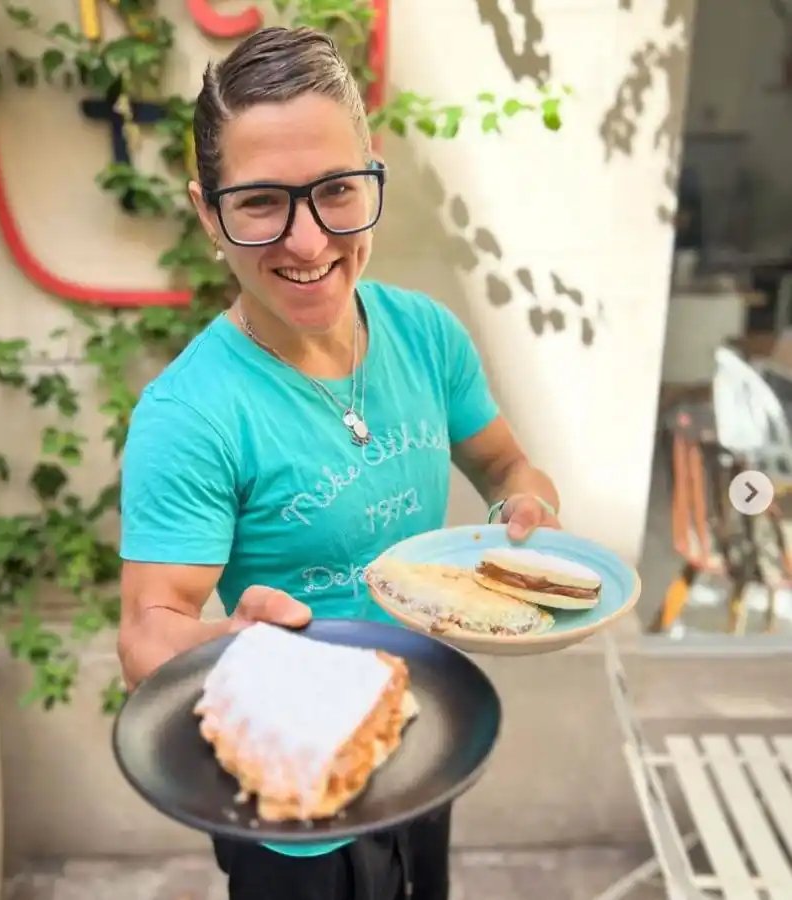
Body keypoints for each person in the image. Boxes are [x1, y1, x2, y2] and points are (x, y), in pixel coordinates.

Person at [118, 25, 561, 900]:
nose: (310, 242)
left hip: (415, 737)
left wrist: (527, 510)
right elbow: (147, 631)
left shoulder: (426, 336)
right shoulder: (190, 413)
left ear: (371, 175)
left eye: (335, 191)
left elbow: (507, 463)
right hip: (292, 809)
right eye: (260, 203)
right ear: (209, 211)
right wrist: (228, 646)